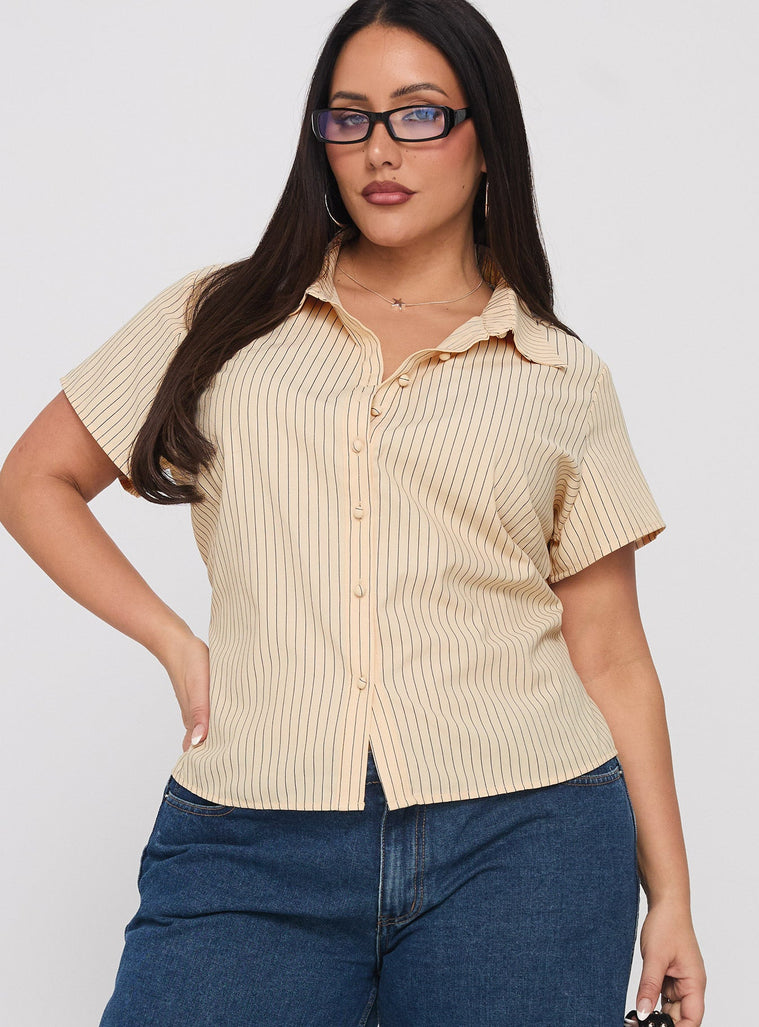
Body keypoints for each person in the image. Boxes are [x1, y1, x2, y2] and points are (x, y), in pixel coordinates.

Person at [0, 1, 706, 1024]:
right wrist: (174, 642)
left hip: (527, 842)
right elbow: (34, 480)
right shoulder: (222, 318)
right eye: (349, 117)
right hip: (250, 832)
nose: (379, 149)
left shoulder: (558, 373)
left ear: (485, 137)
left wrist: (670, 894)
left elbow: (610, 651)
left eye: (419, 114)